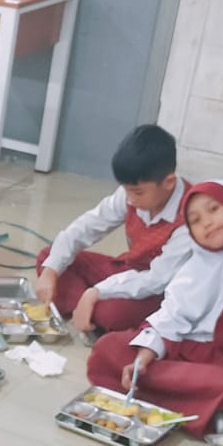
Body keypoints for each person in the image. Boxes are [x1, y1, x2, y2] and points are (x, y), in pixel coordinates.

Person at [85, 180, 223, 436]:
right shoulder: (200, 259)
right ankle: (191, 403)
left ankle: (169, 395)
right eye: (195, 220)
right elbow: (172, 315)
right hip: (186, 350)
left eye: (214, 209)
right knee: (107, 349)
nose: (206, 222)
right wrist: (143, 360)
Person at [34, 123, 193, 333]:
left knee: (113, 313)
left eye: (137, 192)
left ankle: (90, 311)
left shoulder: (191, 216)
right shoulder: (130, 195)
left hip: (158, 290)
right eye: (126, 190)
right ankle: (87, 312)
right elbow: (86, 228)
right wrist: (51, 271)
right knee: (49, 258)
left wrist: (95, 292)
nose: (130, 199)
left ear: (169, 182)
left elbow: (156, 280)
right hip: (128, 270)